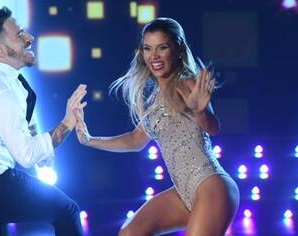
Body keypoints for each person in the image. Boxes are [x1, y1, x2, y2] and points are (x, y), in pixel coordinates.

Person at [74, 18, 239, 236]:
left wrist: (200, 111)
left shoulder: (185, 81)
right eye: (148, 49)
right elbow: (135, 140)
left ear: (178, 48)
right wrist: (89, 139)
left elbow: (214, 127)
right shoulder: (153, 100)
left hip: (211, 186)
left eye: (162, 47)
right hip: (182, 193)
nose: (154, 56)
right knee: (130, 233)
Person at [0, 7, 86, 236]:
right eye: (19, 35)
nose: (29, 38)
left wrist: (44, 152)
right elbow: (27, 156)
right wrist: (68, 122)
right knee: (67, 211)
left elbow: (19, 121)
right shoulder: (2, 91)